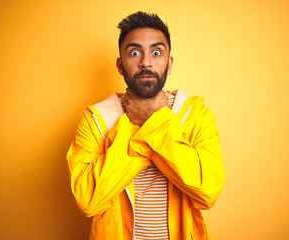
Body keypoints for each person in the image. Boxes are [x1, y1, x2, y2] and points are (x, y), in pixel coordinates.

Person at [67, 11, 225, 240]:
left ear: (169, 64)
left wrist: (154, 120)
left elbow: (207, 190)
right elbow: (89, 199)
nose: (146, 62)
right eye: (134, 52)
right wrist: (142, 123)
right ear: (120, 66)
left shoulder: (197, 115)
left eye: (156, 52)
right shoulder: (94, 120)